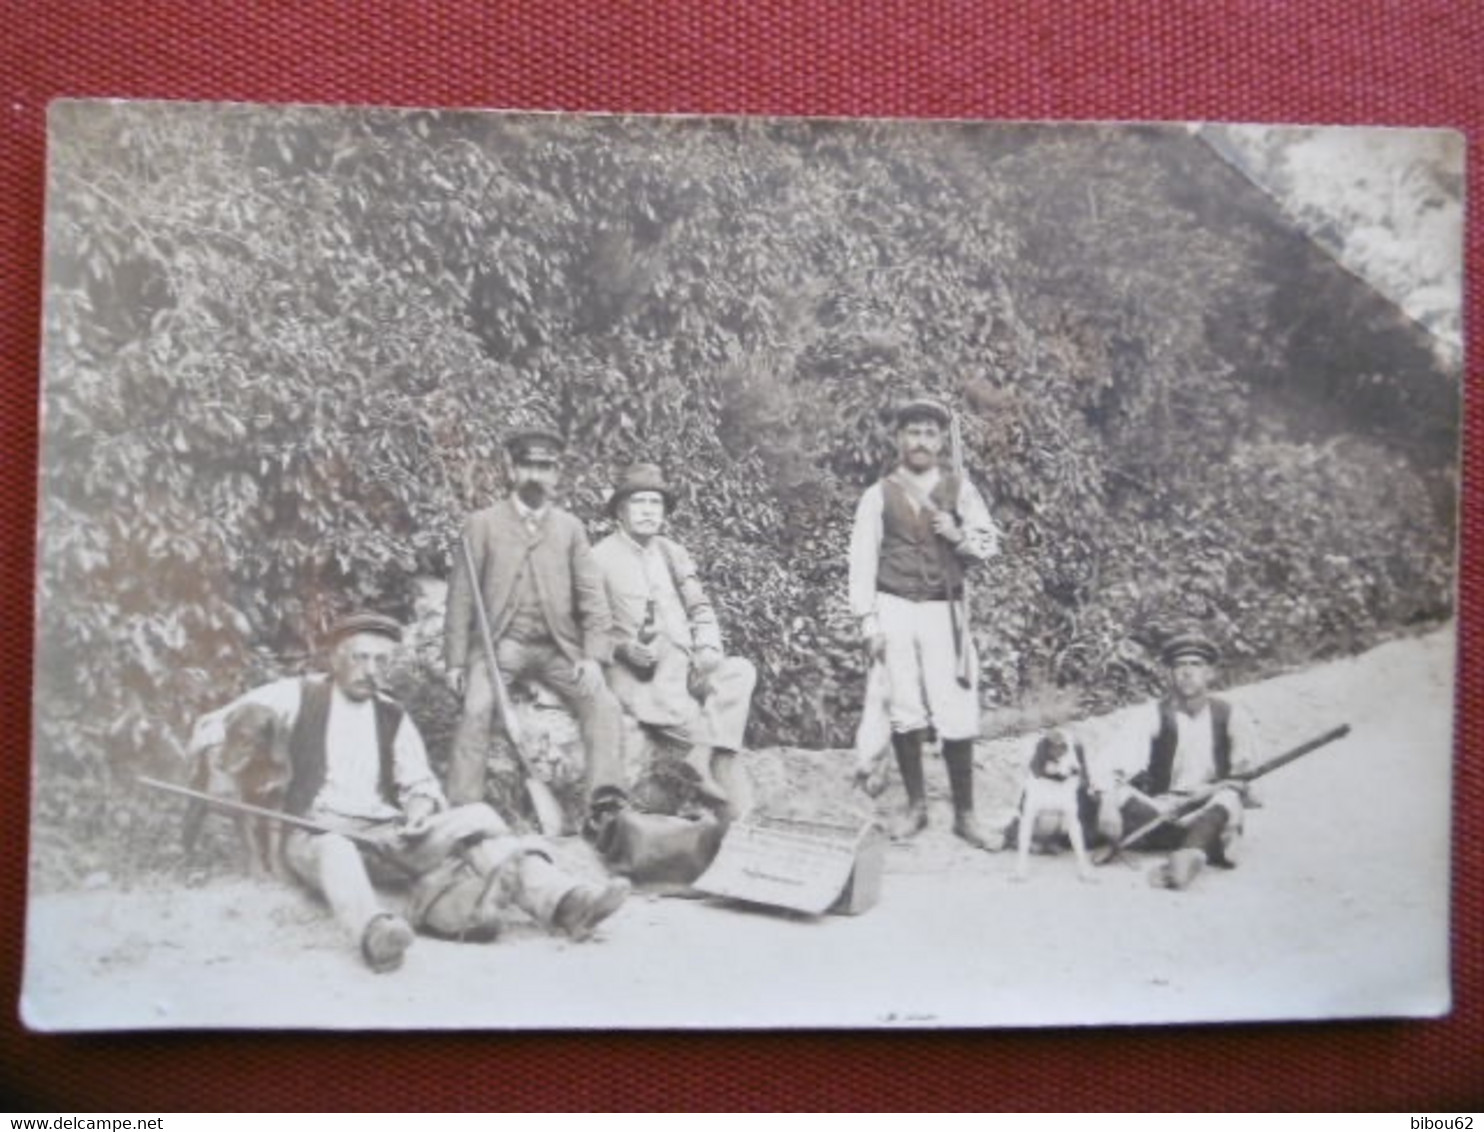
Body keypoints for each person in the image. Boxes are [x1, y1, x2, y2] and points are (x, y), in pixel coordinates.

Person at [188, 612, 629, 973]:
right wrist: (221, 774)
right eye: (360, 659)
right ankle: (374, 934)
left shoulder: (392, 715)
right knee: (336, 847)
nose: (371, 672)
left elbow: (418, 782)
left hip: (388, 835)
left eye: (381, 662)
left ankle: (566, 903)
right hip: (316, 831)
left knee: (478, 823)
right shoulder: (297, 694)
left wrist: (419, 811)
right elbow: (212, 725)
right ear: (335, 658)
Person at [444, 427, 626, 821]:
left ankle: (604, 812)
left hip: (558, 649)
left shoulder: (570, 529)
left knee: (604, 705)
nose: (536, 476)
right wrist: (456, 662)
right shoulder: (483, 524)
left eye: (545, 467)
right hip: (501, 646)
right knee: (476, 707)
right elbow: (460, 598)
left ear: (557, 475)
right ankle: (463, 813)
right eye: (528, 465)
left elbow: (593, 599)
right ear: (511, 469)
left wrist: (593, 657)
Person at [847, 395, 1001, 848]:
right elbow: (861, 563)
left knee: (956, 706)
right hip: (894, 607)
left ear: (940, 442)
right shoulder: (878, 495)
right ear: (899, 439)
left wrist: (960, 536)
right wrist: (869, 625)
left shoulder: (961, 490)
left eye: (930, 433)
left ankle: (966, 815)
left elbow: (989, 544)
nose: (920, 441)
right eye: (912, 432)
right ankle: (916, 808)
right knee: (904, 706)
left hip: (944, 608)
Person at [591, 463, 757, 816]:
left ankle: (699, 758)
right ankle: (732, 817)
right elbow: (581, 629)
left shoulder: (672, 552)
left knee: (740, 671)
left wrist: (709, 646)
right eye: (639, 502)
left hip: (688, 671)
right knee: (722, 745)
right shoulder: (598, 559)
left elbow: (700, 607)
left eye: (656, 503)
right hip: (644, 681)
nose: (649, 510)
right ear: (620, 511)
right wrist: (621, 648)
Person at [1096, 631, 1259, 890]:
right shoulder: (1152, 715)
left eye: (1196, 665)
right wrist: (1107, 802)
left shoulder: (1231, 716)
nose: (1187, 672)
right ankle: (1211, 844)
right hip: (1159, 811)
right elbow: (1114, 764)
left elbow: (1244, 779)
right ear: (1169, 674)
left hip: (1206, 808)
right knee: (1115, 795)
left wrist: (1225, 787)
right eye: (1180, 665)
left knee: (1229, 797)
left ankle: (1188, 856)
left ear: (1210, 674)